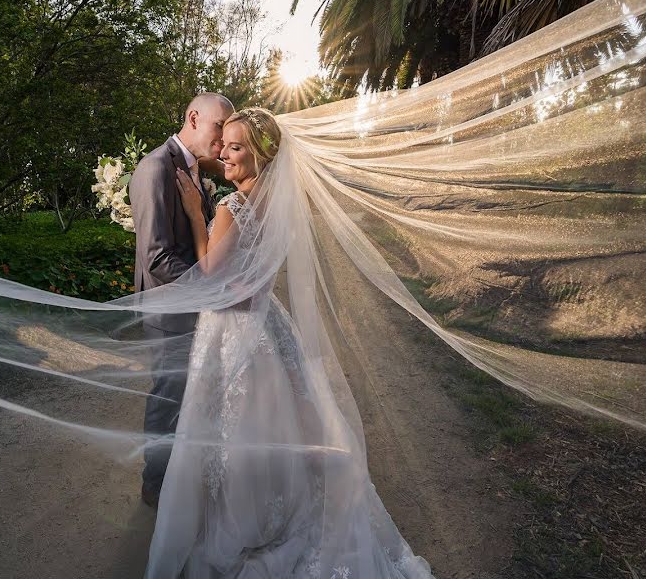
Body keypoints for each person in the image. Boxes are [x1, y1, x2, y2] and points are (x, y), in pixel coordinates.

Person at [144, 108, 433, 578]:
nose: (223, 153)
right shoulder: (275, 203)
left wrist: (197, 216)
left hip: (234, 330)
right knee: (274, 428)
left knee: (236, 432)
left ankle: (248, 522)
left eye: (234, 147)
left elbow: (211, 274)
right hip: (267, 327)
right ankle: (282, 506)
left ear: (259, 155)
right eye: (224, 144)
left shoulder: (230, 207)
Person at [129, 92, 235, 508]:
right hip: (168, 309)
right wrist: (209, 291)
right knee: (168, 395)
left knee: (195, 394)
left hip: (193, 303)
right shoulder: (156, 167)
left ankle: (182, 475)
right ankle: (154, 485)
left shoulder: (195, 172)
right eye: (218, 127)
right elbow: (156, 258)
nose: (223, 138)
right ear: (193, 118)